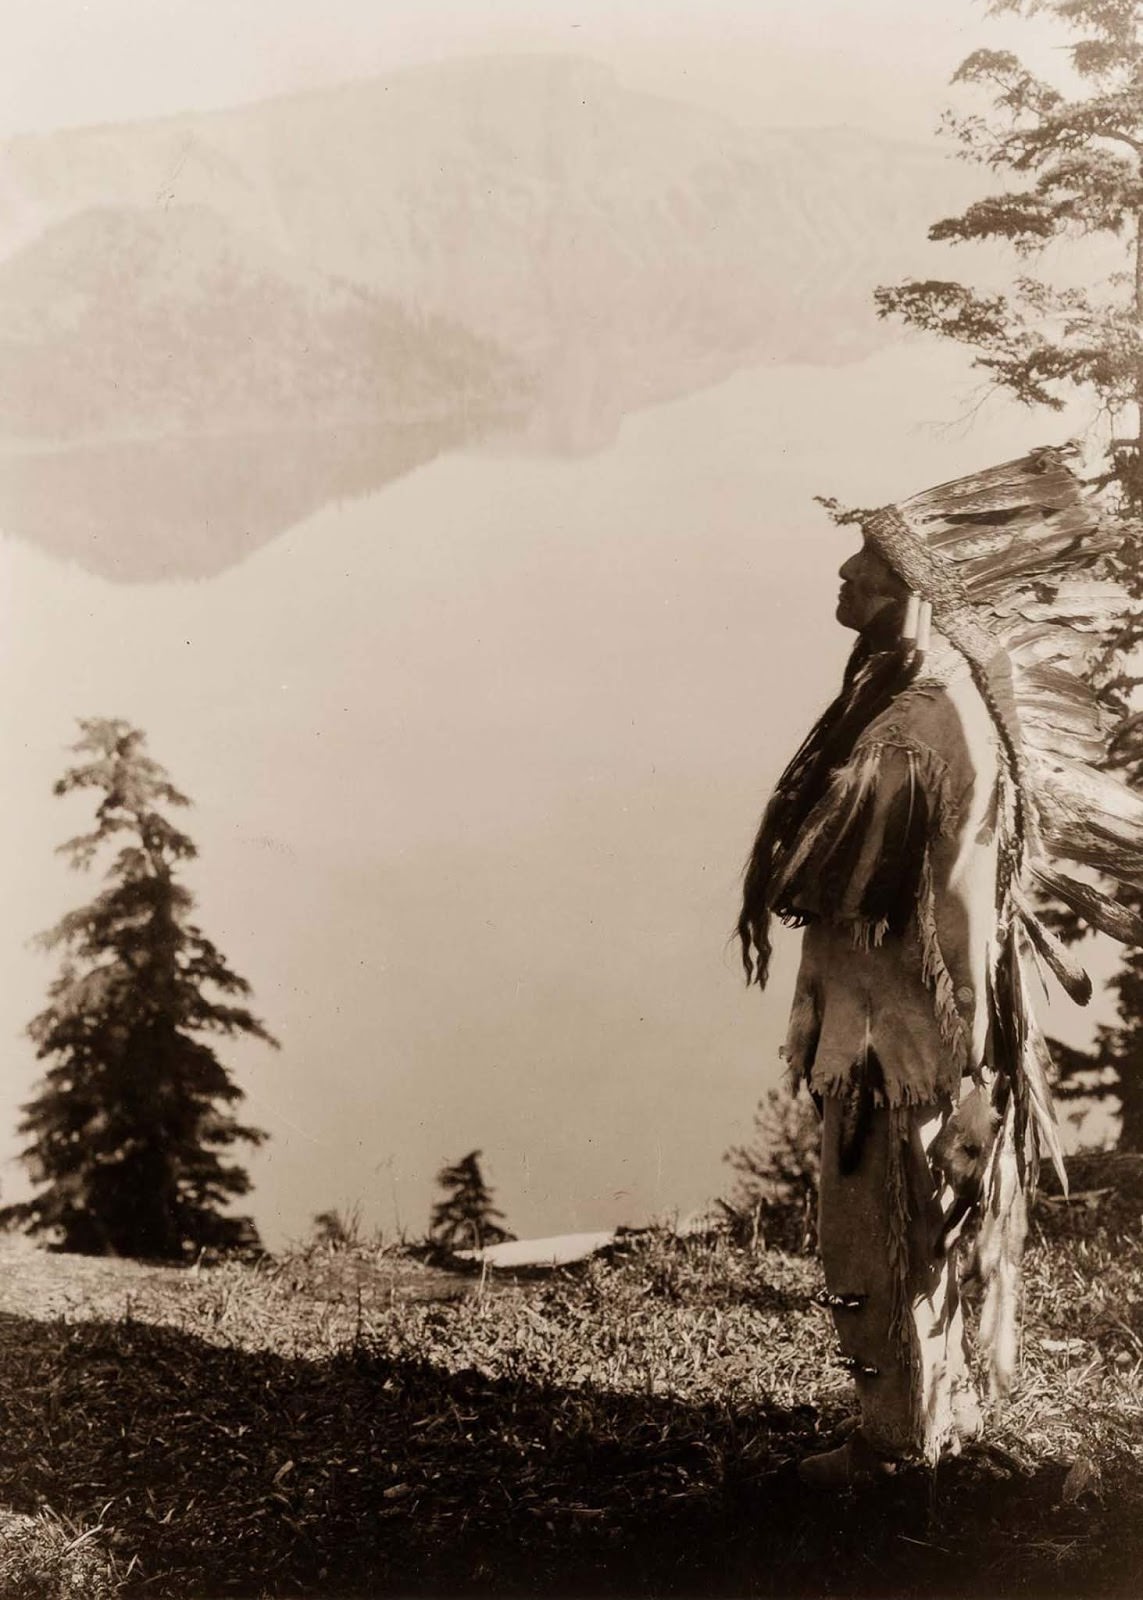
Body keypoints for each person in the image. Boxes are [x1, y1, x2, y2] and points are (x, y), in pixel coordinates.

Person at [737, 447, 1143, 1485]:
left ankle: (895, 1448)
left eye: (861, 569)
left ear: (908, 592)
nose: (841, 583)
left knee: (879, 1225)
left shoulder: (911, 729)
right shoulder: (935, 695)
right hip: (927, 1024)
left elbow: (821, 871)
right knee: (926, 1213)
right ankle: (931, 1422)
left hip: (899, 1034)